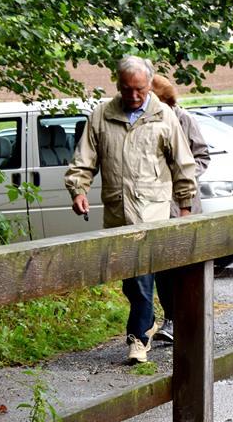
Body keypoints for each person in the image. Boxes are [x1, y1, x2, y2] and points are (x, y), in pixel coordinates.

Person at [64, 56, 197, 364]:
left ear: (150, 84)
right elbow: (84, 160)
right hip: (118, 212)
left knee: (141, 274)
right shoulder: (102, 115)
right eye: (127, 89)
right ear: (118, 85)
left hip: (153, 212)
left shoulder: (164, 116)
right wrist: (79, 190)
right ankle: (149, 324)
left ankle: (139, 337)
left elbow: (183, 163)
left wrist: (186, 206)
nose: (134, 96)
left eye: (140, 89)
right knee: (132, 278)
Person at [150, 75, 211, 345]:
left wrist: (182, 176)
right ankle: (171, 318)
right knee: (163, 267)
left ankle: (189, 319)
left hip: (184, 203)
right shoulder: (148, 122)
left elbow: (202, 156)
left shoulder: (183, 119)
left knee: (186, 264)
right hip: (157, 205)